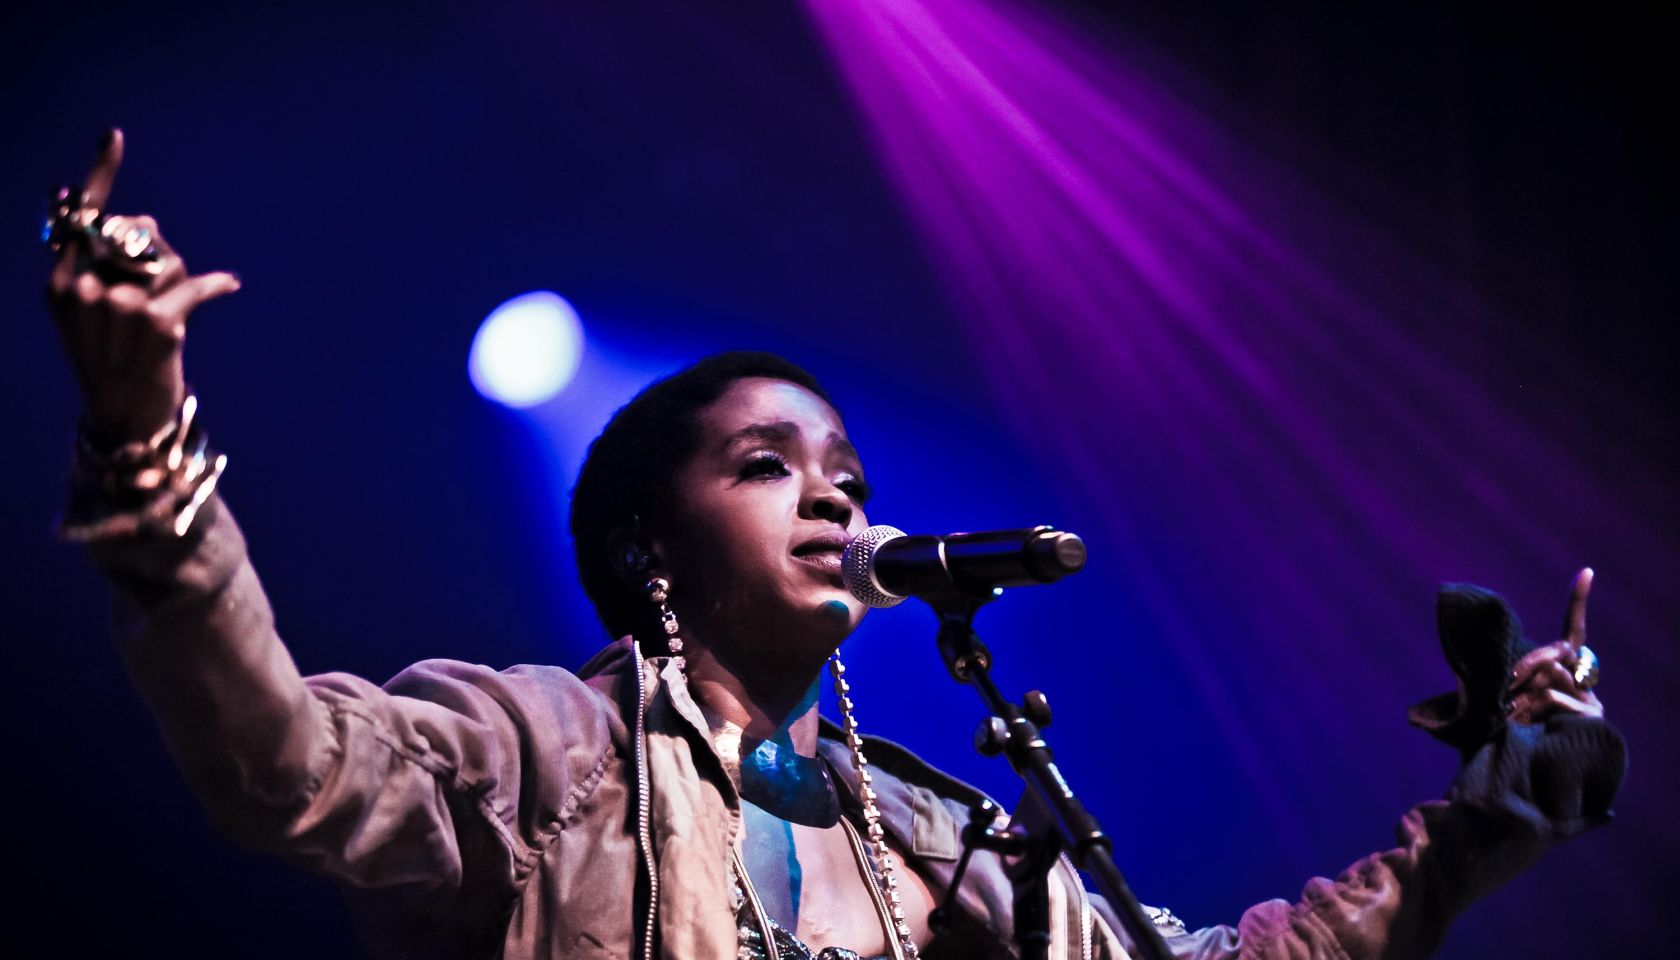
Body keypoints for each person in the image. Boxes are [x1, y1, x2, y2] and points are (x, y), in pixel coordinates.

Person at [46, 130, 1623, 960]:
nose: (834, 499)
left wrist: (1489, 818)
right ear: (655, 540)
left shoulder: (935, 849)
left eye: (849, 473)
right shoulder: (536, 755)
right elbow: (283, 759)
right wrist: (142, 431)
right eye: (765, 465)